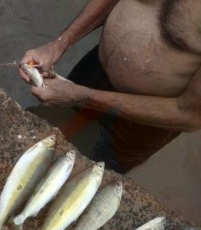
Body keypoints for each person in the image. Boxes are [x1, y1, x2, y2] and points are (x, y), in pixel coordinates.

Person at [18, 0, 201, 174]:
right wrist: (59, 44)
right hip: (97, 68)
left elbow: (190, 114)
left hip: (145, 118)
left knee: (92, 171)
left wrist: (80, 96)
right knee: (49, 130)